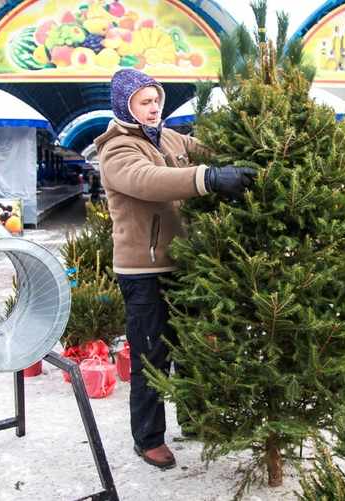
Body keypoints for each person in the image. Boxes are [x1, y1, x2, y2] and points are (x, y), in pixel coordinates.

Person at [93, 68, 255, 470]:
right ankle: (148, 439)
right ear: (125, 105)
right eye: (144, 102)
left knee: (191, 347)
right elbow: (149, 180)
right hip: (143, 271)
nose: (154, 109)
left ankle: (195, 418)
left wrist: (249, 142)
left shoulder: (170, 138)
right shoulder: (116, 149)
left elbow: (210, 150)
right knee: (151, 355)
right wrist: (208, 178)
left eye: (156, 101)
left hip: (184, 262)